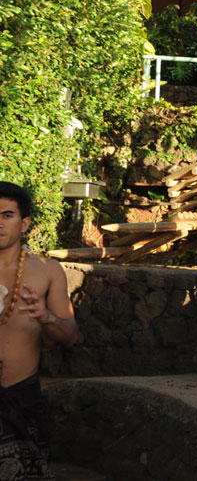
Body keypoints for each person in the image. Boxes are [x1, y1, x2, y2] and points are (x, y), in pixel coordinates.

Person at [0, 182, 80, 479]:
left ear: (24, 223)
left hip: (22, 393)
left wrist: (46, 318)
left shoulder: (47, 270)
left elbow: (70, 336)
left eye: (7, 215)